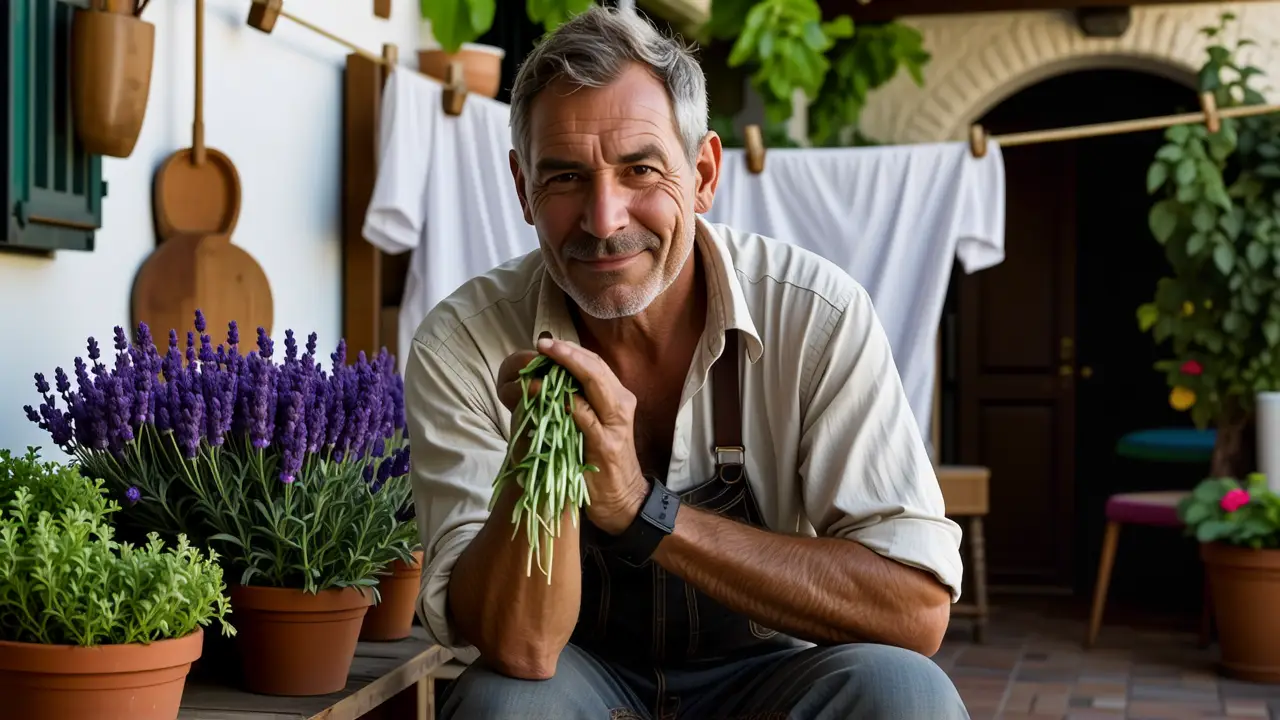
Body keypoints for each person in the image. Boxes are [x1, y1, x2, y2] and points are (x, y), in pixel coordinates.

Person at [402, 6, 969, 719]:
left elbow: (915, 610)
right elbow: (521, 648)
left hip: (774, 679)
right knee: (502, 706)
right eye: (566, 178)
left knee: (905, 695)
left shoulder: (816, 314)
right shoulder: (465, 343)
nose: (604, 219)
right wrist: (537, 456)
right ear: (522, 190)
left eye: (640, 169)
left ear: (702, 174)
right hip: (578, 679)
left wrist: (644, 509)